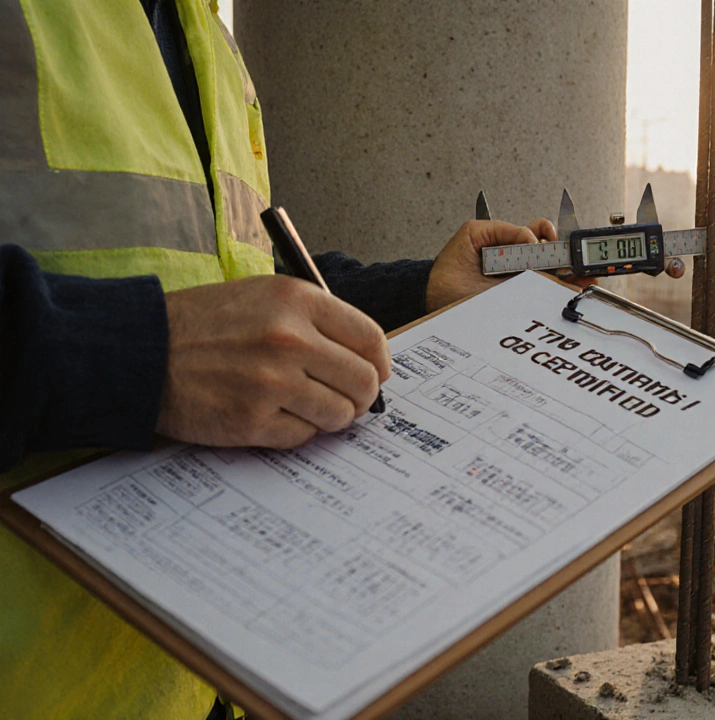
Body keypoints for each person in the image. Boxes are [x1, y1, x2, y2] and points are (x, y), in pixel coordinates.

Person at [0, 1, 676, 717]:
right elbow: (187, 326)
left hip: (197, 674)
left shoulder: (201, 32)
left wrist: (417, 292)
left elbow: (235, 285)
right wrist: (145, 356)